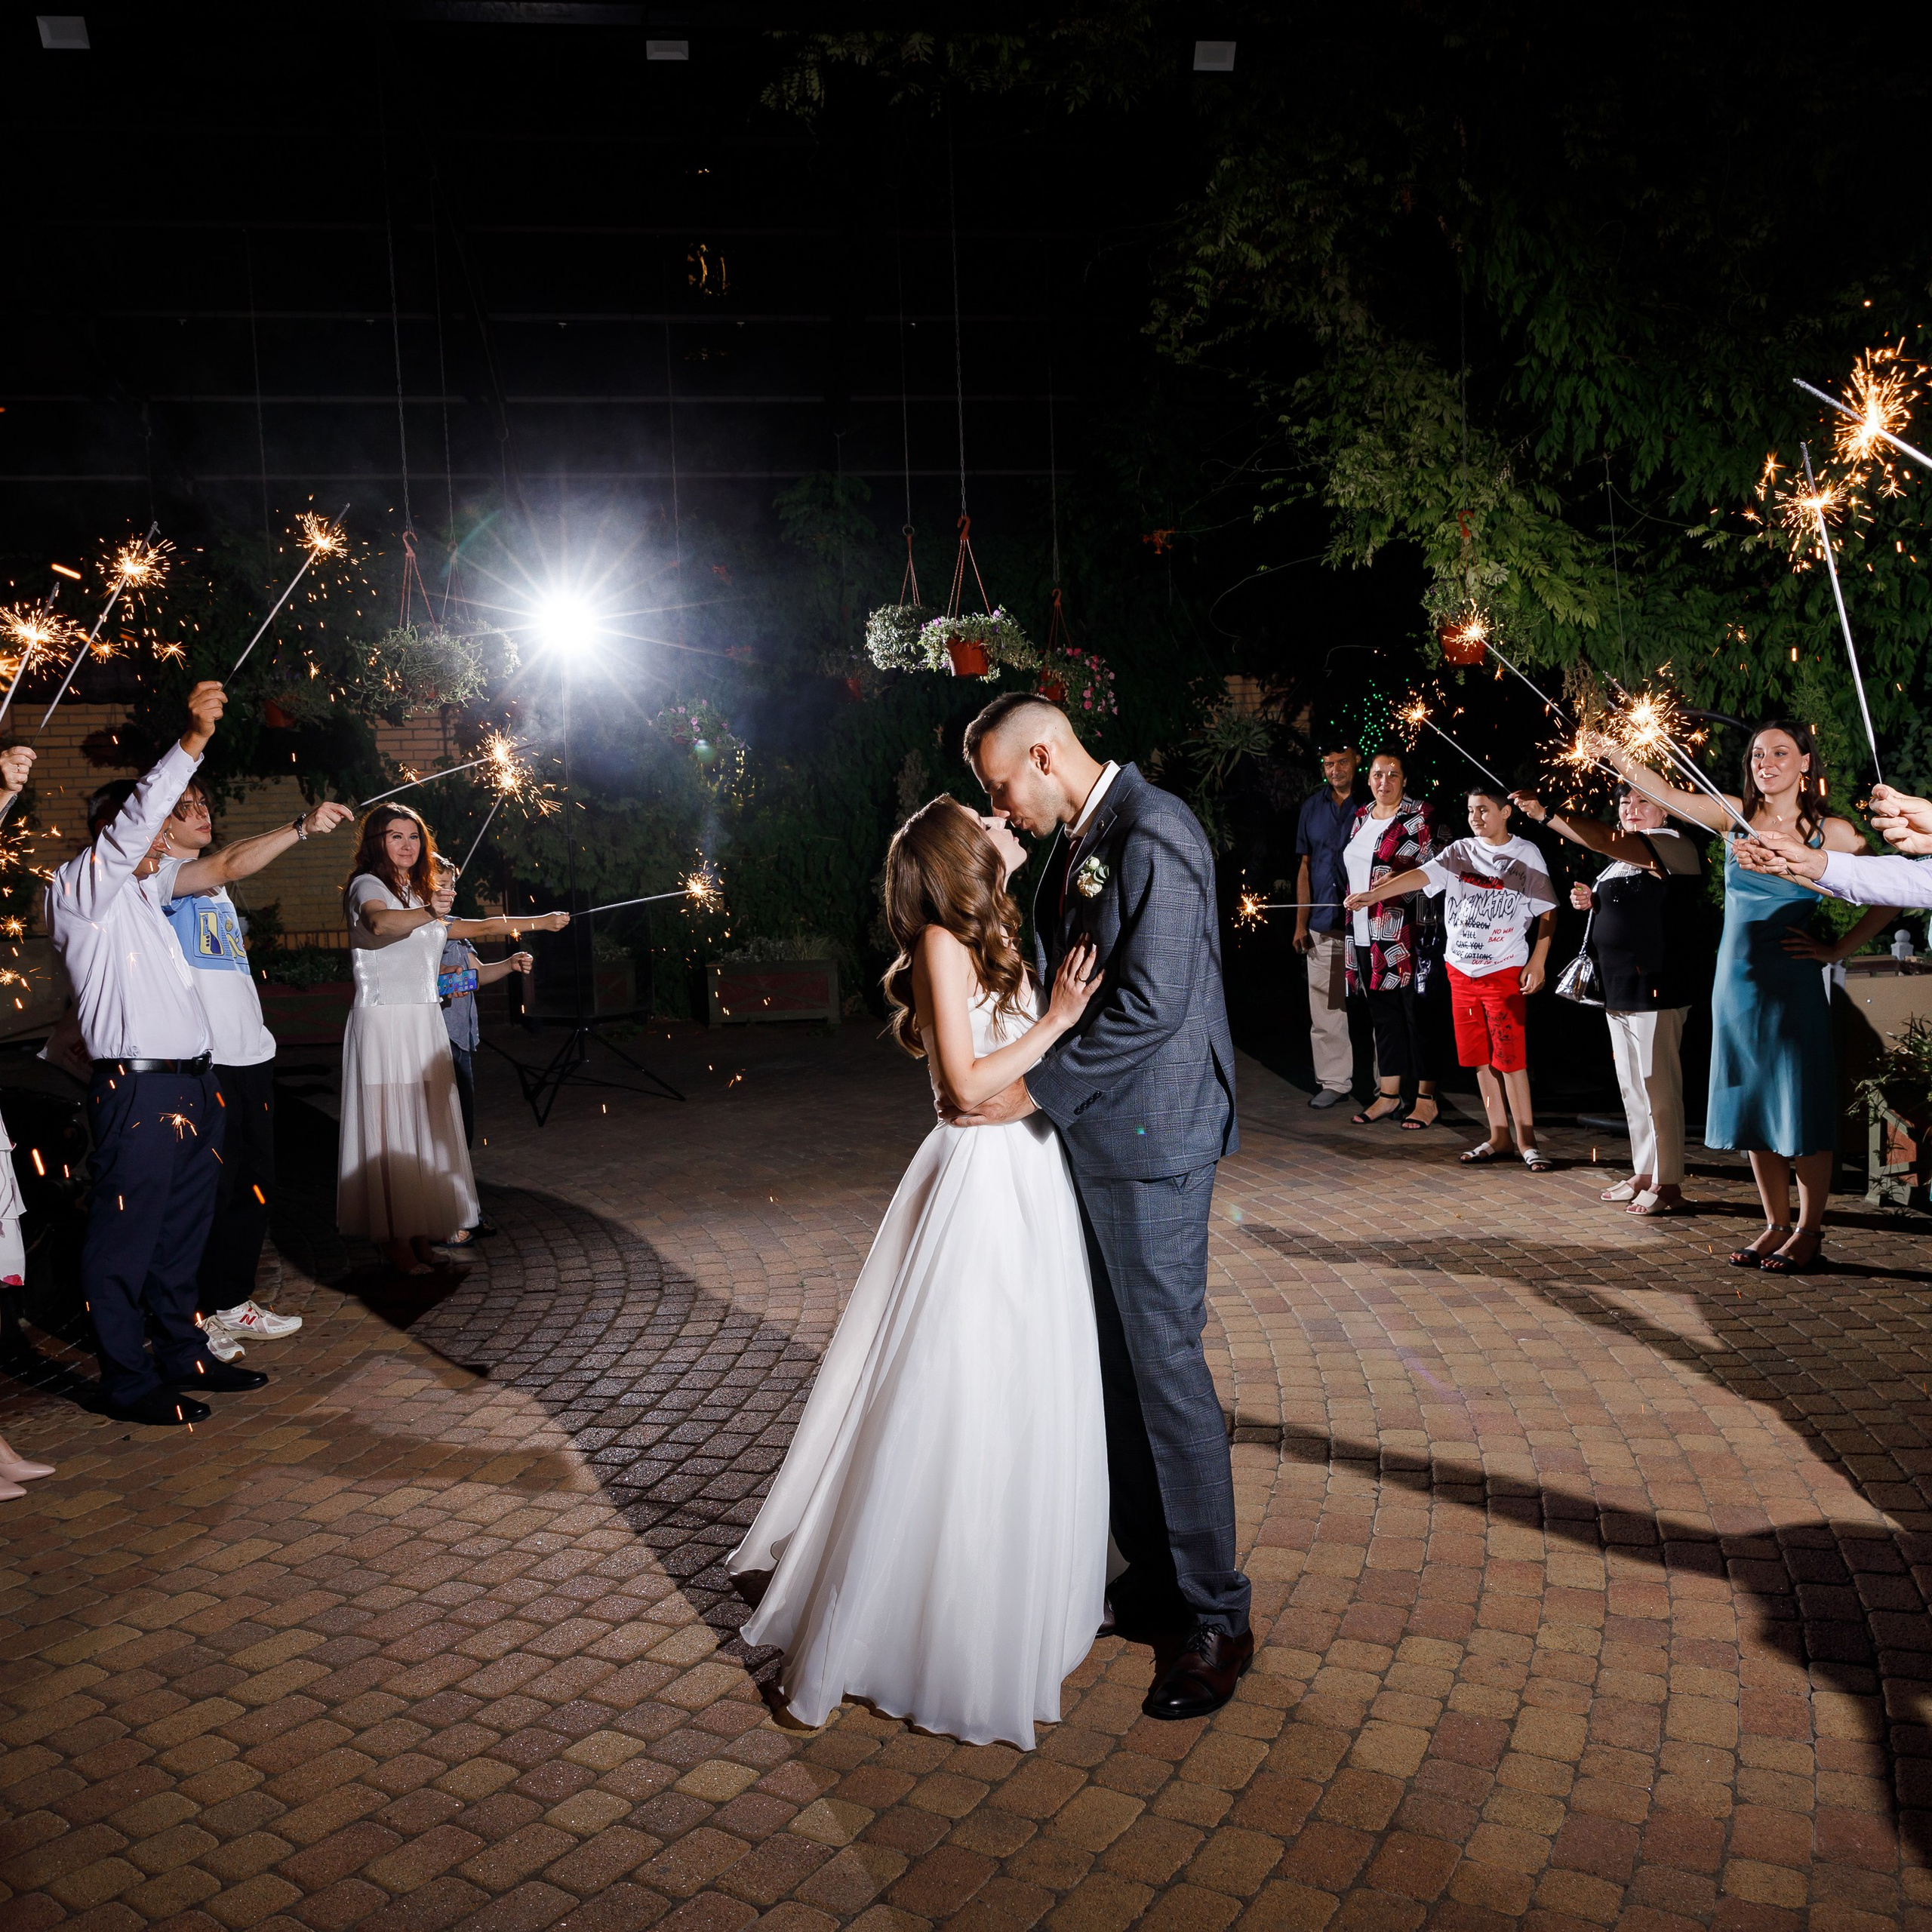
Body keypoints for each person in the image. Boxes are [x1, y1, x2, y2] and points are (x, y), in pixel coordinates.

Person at [731, 799, 1108, 1749]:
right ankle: (885, 1630)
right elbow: (966, 1086)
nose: (999, 820)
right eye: (981, 820)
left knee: (1022, 1387)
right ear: (958, 855)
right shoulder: (943, 940)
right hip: (982, 1183)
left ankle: (1012, 1596)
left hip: (1030, 1172)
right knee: (952, 1392)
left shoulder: (995, 930)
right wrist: (1058, 1020)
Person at [962, 694, 1250, 1721]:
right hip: (1101, 1134)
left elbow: (1153, 1002)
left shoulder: (1155, 828)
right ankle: (1163, 1577)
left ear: (1043, 754)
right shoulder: (1084, 838)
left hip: (1153, 1139)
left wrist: (1032, 1090)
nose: (1002, 805)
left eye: (1002, 784)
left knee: (1165, 1371)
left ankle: (1218, 1616)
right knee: (1119, 1370)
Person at [1587, 721, 1896, 1272]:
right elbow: (1665, 793)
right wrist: (1612, 749)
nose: (1765, 763)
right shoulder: (1735, 816)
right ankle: (1775, 1224)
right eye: (1757, 754)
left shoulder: (1832, 833)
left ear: (1805, 762)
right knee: (1754, 1107)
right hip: (1734, 984)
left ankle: (1809, 1230)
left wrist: (1836, 949)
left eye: (1780, 752)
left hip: (1791, 982)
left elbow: (1891, 892)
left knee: (1798, 1105)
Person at [45, 681, 263, 1426]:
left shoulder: (146, 898)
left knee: (180, 1235)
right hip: (138, 1093)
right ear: (112, 836)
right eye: (150, 831)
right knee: (125, 1240)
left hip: (193, 1086)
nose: (161, 841)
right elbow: (139, 817)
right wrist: (193, 739)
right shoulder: (83, 892)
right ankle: (127, 1380)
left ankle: (184, 1353)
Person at [146, 777, 354, 1357]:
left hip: (250, 1058)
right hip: (207, 1064)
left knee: (253, 1188)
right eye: (185, 808)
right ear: (158, 827)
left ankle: (231, 1301)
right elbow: (229, 863)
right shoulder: (160, 879)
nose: (201, 812)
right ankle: (191, 1315)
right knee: (206, 1195)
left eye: (203, 803)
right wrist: (301, 827)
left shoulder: (214, 891)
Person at [338, 805, 568, 1274]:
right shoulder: (367, 885)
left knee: (424, 1130)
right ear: (376, 842)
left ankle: (419, 1229)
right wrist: (428, 911)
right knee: (390, 1129)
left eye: (414, 837)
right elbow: (381, 924)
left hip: (425, 1022)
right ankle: (392, 1237)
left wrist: (541, 921)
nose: (407, 845)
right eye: (395, 836)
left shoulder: (417, 893)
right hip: (385, 1022)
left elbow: (481, 927)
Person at [1511, 784, 1703, 1216]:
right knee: (1632, 1087)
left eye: (1643, 801)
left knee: (1658, 1086)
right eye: (1625, 802)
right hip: (1619, 986)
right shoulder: (1623, 858)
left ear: (1667, 811)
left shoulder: (1674, 845)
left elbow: (1602, 839)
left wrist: (1546, 815)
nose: (1631, 809)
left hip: (1657, 985)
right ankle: (1644, 1172)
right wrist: (1593, 901)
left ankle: (1669, 1181)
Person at [1351, 785, 1558, 1169]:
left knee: (1510, 1059)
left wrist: (1539, 961)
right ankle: (1499, 1136)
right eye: (1470, 810)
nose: (1475, 817)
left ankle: (1528, 1141)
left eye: (1483, 810)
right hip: (1461, 972)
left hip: (1503, 970)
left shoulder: (1525, 854)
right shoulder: (1460, 851)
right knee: (1481, 1060)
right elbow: (1421, 876)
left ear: (1505, 813)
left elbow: (1547, 910)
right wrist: (1373, 896)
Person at [429, 851, 534, 1247]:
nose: (450, 891)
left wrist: (509, 964)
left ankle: (465, 1211)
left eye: (452, 885)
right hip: (434, 1041)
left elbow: (474, 975)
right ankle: (441, 1217)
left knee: (463, 1131)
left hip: (460, 1040)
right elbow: (416, 979)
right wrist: (441, 978)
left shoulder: (456, 929)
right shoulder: (422, 930)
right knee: (440, 1133)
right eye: (441, 884)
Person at [1341, 746, 1441, 1128]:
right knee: (1383, 1015)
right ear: (1368, 779)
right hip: (1364, 931)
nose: (1385, 781)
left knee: (1418, 1016)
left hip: (1405, 933)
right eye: (1378, 774)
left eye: (1393, 774)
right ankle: (1388, 1095)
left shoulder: (1420, 816)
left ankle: (1426, 1099)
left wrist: (1387, 885)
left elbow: (1432, 869)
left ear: (1405, 780)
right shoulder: (1361, 816)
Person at [1293, 742, 1367, 1108]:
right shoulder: (1312, 807)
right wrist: (1300, 923)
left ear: (1357, 762)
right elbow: (1305, 867)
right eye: (1328, 764)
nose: (1335, 770)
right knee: (1326, 1008)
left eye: (1342, 762)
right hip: (1324, 925)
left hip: (1370, 925)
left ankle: (1388, 1087)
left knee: (1379, 1009)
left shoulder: (1373, 804)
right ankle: (1335, 1082)